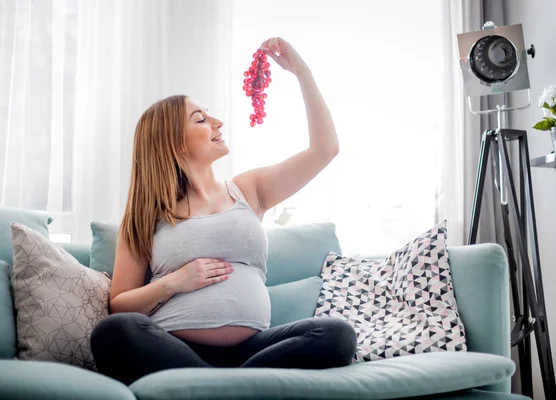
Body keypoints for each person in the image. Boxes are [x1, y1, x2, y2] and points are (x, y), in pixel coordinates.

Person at [90, 37, 357, 385]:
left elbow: (325, 149)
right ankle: (236, 387)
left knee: (336, 335)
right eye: (201, 119)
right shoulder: (145, 215)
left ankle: (215, 386)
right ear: (173, 142)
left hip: (255, 349)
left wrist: (301, 73)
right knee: (114, 331)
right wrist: (174, 282)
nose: (217, 122)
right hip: (174, 347)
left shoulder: (249, 190)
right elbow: (120, 305)